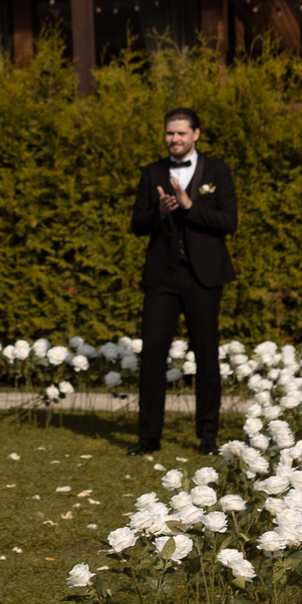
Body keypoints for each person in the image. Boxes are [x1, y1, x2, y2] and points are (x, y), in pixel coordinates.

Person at [126, 107, 238, 456]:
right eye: (169, 133)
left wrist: (190, 206)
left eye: (181, 133)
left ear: (196, 135)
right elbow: (136, 224)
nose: (174, 139)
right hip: (162, 277)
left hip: (204, 277)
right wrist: (158, 212)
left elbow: (229, 222)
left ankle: (207, 436)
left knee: (206, 355)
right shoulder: (152, 173)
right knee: (154, 355)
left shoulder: (217, 171)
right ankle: (149, 437)